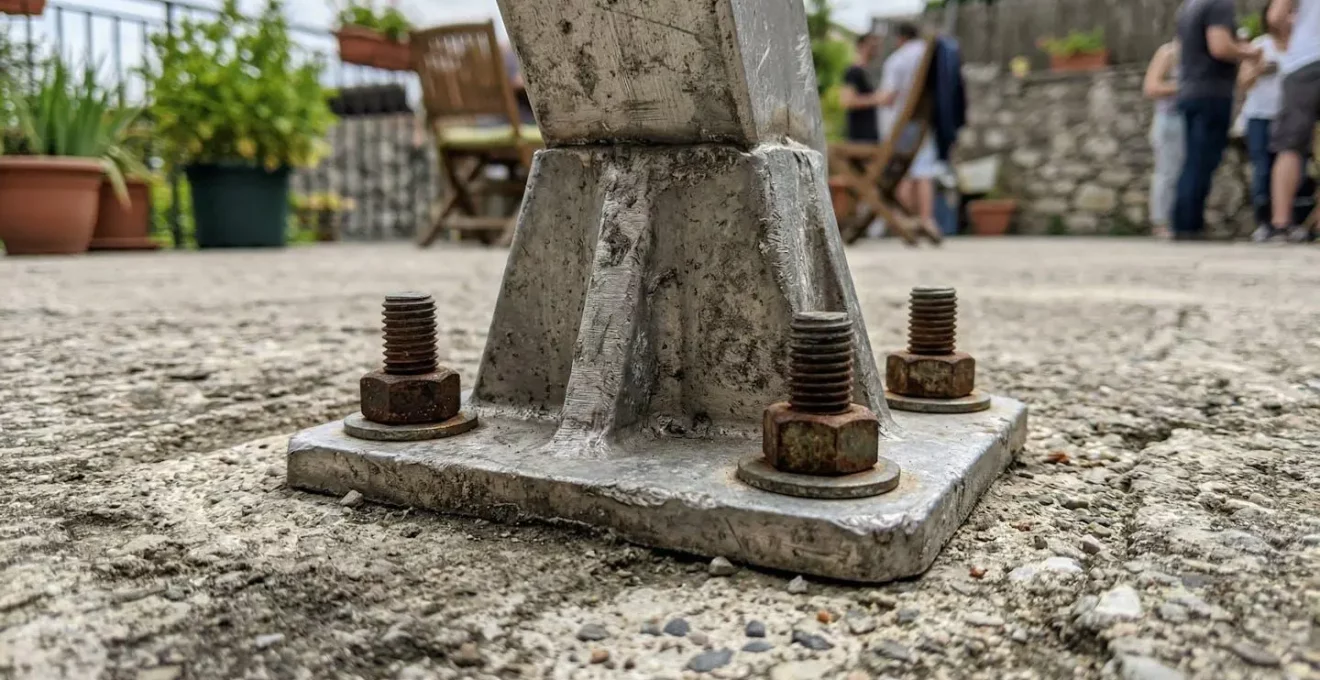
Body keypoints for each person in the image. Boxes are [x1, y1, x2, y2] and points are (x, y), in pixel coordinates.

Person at [1173, 0, 1262, 240]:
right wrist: (1250, 52)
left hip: (1189, 90)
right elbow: (1220, 47)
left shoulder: (1189, 6)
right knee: (1203, 159)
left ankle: (1183, 223)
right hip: (1211, 92)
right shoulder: (1219, 4)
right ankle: (1190, 227)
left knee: (1192, 160)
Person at [877, 22, 942, 242]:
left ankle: (904, 221)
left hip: (900, 126)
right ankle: (926, 219)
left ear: (900, 38)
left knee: (901, 171)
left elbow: (888, 97)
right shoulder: (932, 57)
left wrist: (868, 99)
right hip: (923, 123)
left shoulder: (898, 59)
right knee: (924, 171)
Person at [1238, 2, 1292, 241]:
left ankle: (1287, 220)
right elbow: (1243, 83)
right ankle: (1264, 222)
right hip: (1259, 116)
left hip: (1289, 117)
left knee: (1291, 168)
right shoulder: (1259, 46)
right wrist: (1259, 69)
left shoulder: (1304, 47)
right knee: (1262, 169)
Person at [1268, 0, 1320, 241]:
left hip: (1305, 62)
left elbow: (1276, 15)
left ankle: (1281, 224)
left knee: (1291, 145)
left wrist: (1291, 39)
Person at [1144, 39, 1182, 239]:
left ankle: (1180, 220)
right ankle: (1161, 223)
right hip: (1169, 119)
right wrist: (1185, 86)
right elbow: (1151, 87)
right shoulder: (1169, 52)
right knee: (1167, 173)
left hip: (1191, 120)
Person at [840, 33, 883, 143]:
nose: (875, 49)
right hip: (859, 137)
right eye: (872, 46)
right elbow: (847, 101)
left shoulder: (867, 73)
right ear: (861, 46)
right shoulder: (854, 71)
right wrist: (877, 99)